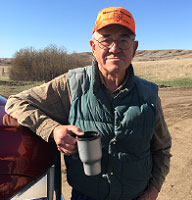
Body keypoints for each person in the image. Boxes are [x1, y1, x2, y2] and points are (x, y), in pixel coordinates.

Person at [5, 7, 171, 200]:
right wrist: (52, 129)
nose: (115, 48)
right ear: (93, 47)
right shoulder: (71, 85)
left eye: (124, 40)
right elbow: (16, 102)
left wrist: (153, 192)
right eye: (106, 40)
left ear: (134, 49)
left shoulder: (149, 95)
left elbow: (161, 148)